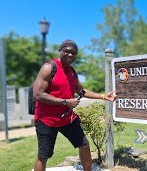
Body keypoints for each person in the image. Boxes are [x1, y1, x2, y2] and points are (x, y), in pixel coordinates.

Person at [32, 39, 117, 171]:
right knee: (44, 155)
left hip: (67, 119)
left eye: (74, 53)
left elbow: (81, 91)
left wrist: (103, 96)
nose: (70, 55)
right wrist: (65, 101)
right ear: (60, 51)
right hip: (46, 120)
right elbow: (38, 95)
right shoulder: (49, 68)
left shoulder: (72, 72)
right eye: (67, 51)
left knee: (84, 145)